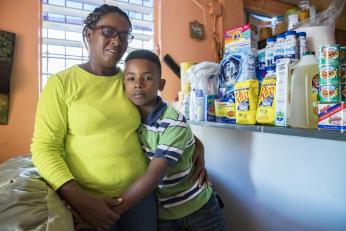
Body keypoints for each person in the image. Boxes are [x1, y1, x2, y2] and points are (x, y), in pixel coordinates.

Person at [31, 4, 206, 231]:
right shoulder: (62, 83)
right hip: (89, 199)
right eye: (108, 31)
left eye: (124, 35)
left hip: (140, 197)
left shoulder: (131, 82)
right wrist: (78, 199)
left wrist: (197, 146)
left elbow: (164, 119)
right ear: (89, 33)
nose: (117, 40)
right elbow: (44, 147)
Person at [117, 49, 226, 231]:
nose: (138, 84)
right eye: (131, 78)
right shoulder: (131, 118)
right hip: (164, 213)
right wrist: (197, 143)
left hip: (198, 208)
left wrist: (113, 210)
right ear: (123, 84)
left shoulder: (173, 121)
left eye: (147, 78)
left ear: (161, 84)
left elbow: (153, 177)